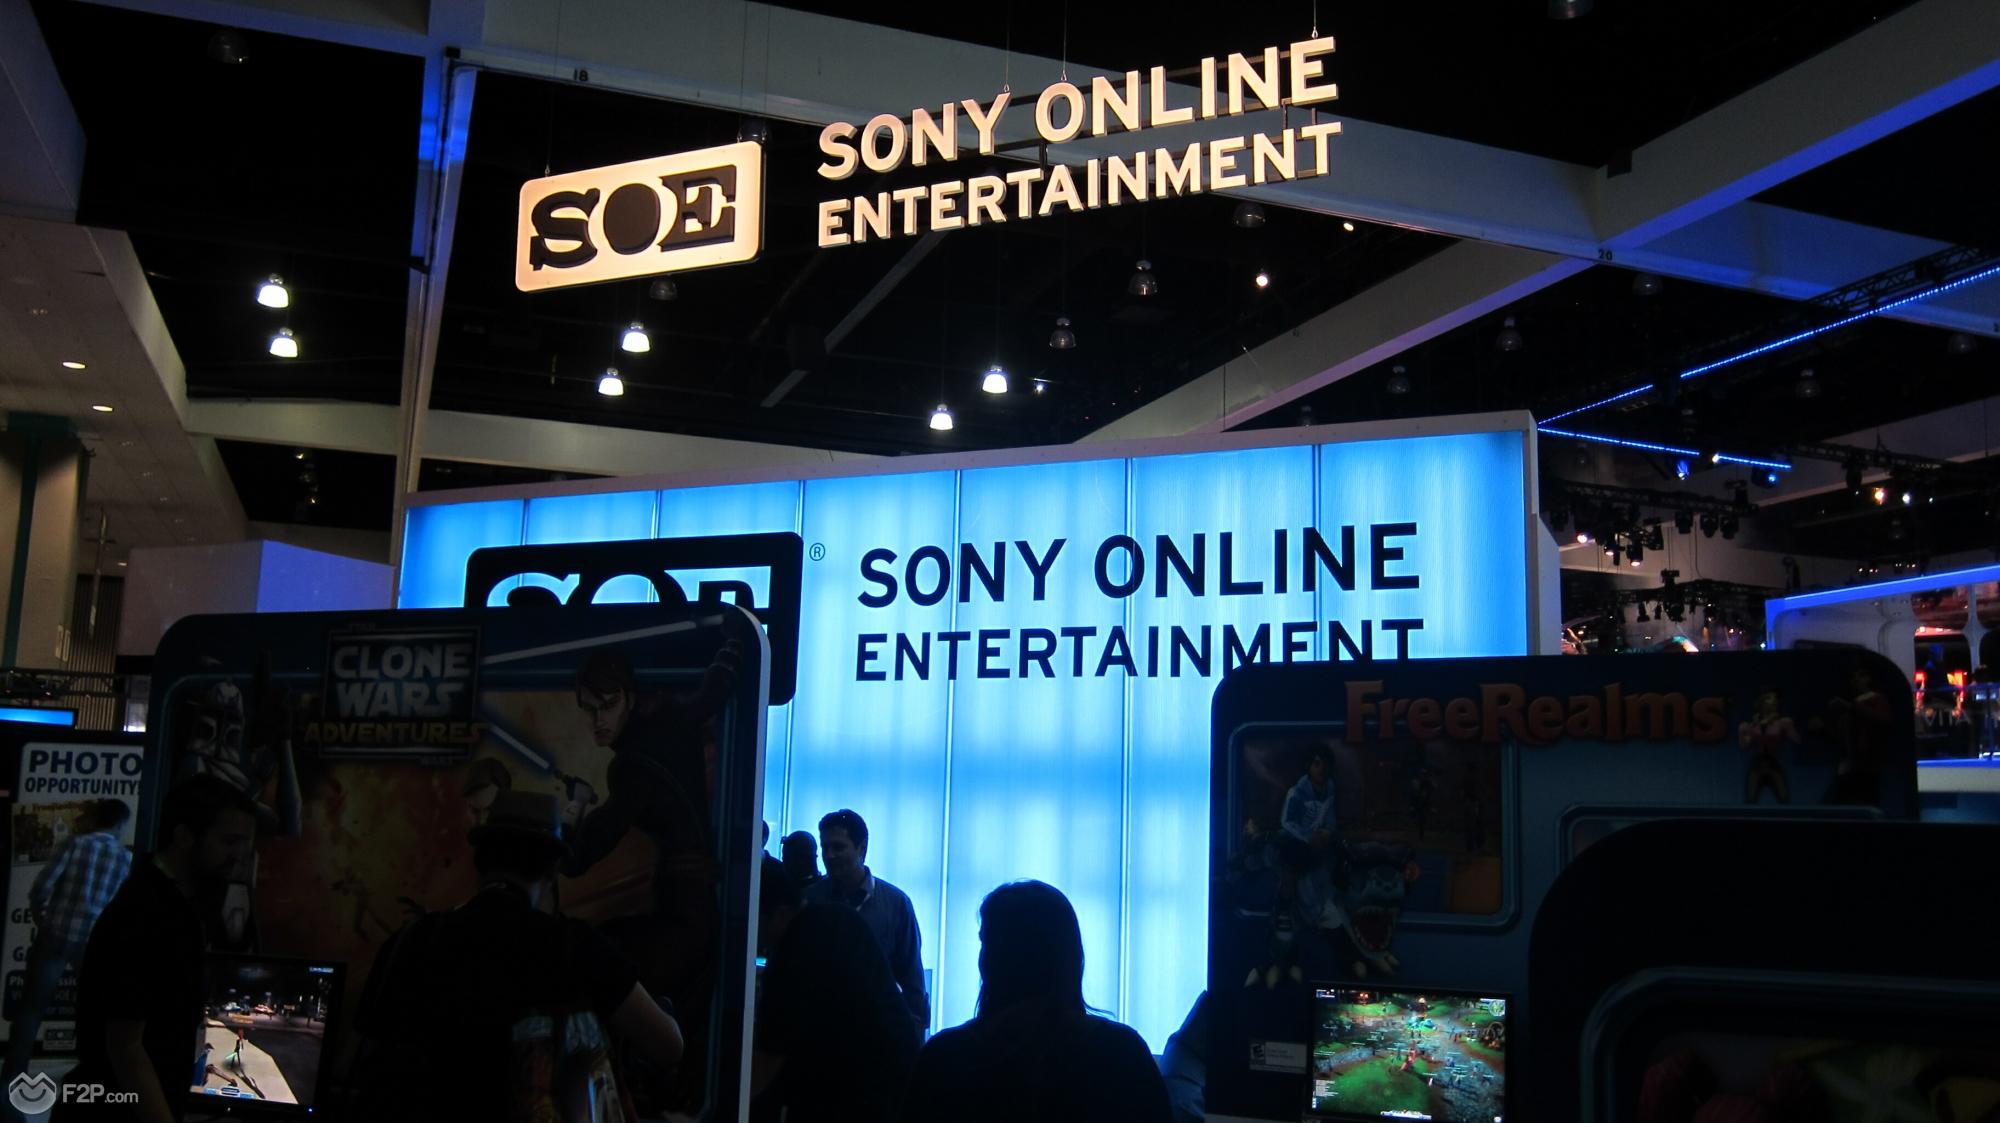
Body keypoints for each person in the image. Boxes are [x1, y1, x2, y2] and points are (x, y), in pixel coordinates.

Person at [353, 790, 683, 1122]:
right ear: (551, 871)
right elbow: (668, 1045)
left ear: (480, 862)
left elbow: (367, 1046)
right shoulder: (575, 945)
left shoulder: (410, 940)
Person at [58, 776, 257, 1123]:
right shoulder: (148, 912)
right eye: (229, 842)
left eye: (244, 845)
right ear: (184, 837)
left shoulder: (178, 902)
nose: (238, 856)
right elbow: (125, 1047)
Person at [902, 881, 1170, 1123]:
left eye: (985, 943)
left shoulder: (946, 1058)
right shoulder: (1121, 1053)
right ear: (1069, 957)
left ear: (993, 958)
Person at [751, 857, 917, 1122]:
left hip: (853, 1090)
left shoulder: (793, 954)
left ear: (779, 913)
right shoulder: (840, 917)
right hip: (893, 1076)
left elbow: (770, 1056)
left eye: (755, 920)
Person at [4, 801, 133, 1088]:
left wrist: (40, 917)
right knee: (91, 1013)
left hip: (55, 935)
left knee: (31, 1009)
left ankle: (11, 1080)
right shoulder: (125, 859)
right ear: (120, 824)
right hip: (92, 943)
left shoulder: (75, 844)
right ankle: (88, 1078)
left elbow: (42, 888)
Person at [804, 809, 928, 1033]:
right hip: (819, 1027)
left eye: (838, 847)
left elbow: (911, 976)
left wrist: (913, 1029)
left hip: (876, 1029)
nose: (829, 855)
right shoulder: (811, 900)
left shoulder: (896, 904)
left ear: (862, 848)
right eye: (824, 847)